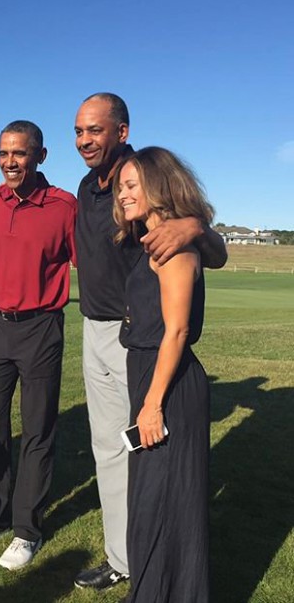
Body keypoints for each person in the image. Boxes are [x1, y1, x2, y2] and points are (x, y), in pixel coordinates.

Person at [72, 93, 226, 591]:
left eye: (94, 129)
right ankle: (130, 563)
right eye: (78, 131)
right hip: (108, 333)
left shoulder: (171, 238)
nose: (84, 139)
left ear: (120, 131)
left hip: (150, 350)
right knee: (121, 462)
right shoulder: (99, 200)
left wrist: (195, 224)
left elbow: (178, 328)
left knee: (160, 485)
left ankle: (157, 580)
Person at [0, 121, 76, 570]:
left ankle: (27, 529)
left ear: (40, 156)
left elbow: (91, 257)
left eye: (20, 154)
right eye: (4, 153)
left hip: (42, 327)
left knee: (39, 428)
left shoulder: (65, 206)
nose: (11, 162)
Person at [113, 146, 212, 602]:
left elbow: (177, 331)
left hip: (167, 385)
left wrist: (151, 406)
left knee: (164, 505)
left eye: (133, 185)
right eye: (121, 187)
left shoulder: (174, 249)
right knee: (151, 503)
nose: (124, 194)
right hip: (149, 376)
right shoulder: (146, 240)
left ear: (158, 187)